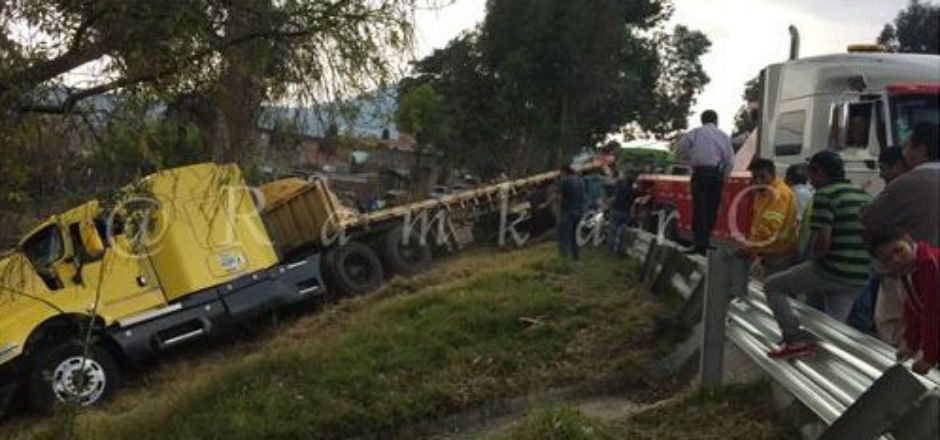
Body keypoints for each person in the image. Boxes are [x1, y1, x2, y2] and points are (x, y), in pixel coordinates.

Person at [764, 151, 872, 359]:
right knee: (832, 324)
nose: (810, 181)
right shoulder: (862, 194)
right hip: (859, 276)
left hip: (831, 270)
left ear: (819, 172)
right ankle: (819, 356)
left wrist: (813, 260)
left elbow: (823, 239)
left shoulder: (825, 194)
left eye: (811, 174)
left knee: (772, 286)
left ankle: (794, 340)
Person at [863, 123, 940, 345]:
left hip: (906, 273)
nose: (904, 150)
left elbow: (869, 217)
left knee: (899, 332)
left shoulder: (906, 184)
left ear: (921, 149)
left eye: (907, 145)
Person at [867, 227, 939, 374]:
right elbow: (913, 308)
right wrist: (911, 344)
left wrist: (929, 357)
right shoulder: (909, 269)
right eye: (887, 259)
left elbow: (933, 314)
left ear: (908, 240)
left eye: (899, 250)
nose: (896, 259)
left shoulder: (932, 264)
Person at [672, 109, 734, 255]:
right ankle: (706, 243)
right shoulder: (723, 136)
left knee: (699, 209)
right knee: (711, 210)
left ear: (702, 120)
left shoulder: (695, 133)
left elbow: (679, 150)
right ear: (716, 120)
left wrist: (689, 159)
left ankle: (699, 244)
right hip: (716, 175)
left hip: (700, 174)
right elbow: (730, 160)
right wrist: (724, 177)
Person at [736, 159, 799, 276]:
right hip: (771, 251)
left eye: (762, 177)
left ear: (773, 174)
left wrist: (749, 247)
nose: (758, 181)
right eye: (754, 177)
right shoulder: (763, 193)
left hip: (780, 252)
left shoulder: (779, 194)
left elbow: (769, 226)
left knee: (773, 289)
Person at [557, 165, 584, 260]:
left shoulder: (564, 181)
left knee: (564, 234)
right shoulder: (580, 181)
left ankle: (564, 256)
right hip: (578, 210)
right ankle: (576, 256)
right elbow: (583, 196)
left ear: (564, 172)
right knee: (575, 234)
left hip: (567, 211)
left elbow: (560, 197)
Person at [608, 171, 634, 252]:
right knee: (624, 231)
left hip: (616, 210)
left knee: (613, 230)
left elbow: (614, 196)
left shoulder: (620, 187)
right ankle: (621, 247)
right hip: (626, 212)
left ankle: (611, 247)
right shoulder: (633, 191)